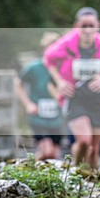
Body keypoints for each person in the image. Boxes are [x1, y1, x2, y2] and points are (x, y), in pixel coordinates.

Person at [44, 7, 100, 169]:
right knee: (84, 140)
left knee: (94, 149)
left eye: (91, 26)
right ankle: (75, 173)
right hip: (75, 98)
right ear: (77, 26)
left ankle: (92, 185)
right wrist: (60, 81)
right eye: (84, 26)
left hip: (99, 99)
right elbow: (48, 58)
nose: (87, 30)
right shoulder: (67, 43)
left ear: (98, 25)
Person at [14, 31, 63, 160]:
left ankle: (36, 173)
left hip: (57, 118)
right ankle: (28, 168)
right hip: (38, 116)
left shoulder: (63, 67)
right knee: (47, 151)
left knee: (54, 155)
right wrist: (28, 104)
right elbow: (17, 83)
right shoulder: (34, 67)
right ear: (44, 49)